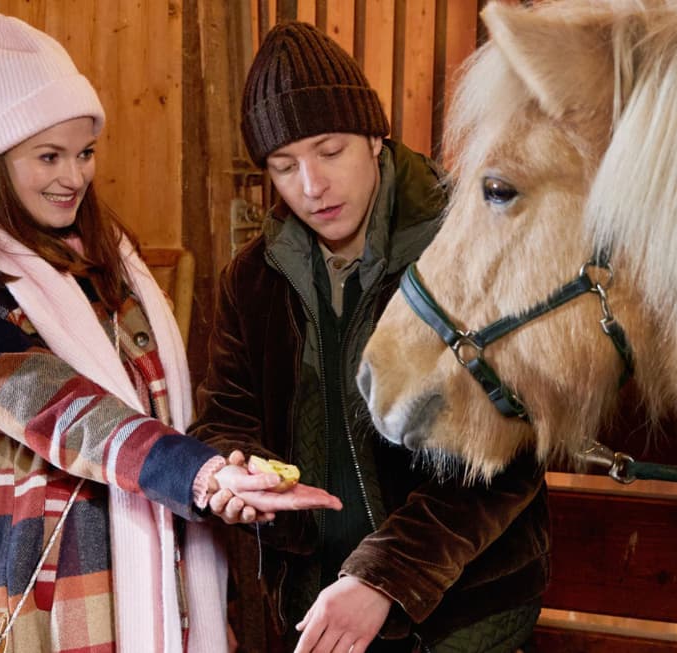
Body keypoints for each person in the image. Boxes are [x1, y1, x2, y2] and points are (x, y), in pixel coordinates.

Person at [0, 12, 341, 653]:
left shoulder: (116, 272)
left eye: (84, 153)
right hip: (43, 595)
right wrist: (201, 476)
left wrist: (231, 475)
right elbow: (69, 415)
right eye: (48, 156)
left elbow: (169, 411)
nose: (73, 177)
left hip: (156, 581)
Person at [190, 21, 550, 653]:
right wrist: (235, 472)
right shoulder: (252, 278)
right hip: (313, 609)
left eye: (329, 151)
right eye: (283, 166)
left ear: (375, 134)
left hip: (462, 620)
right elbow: (226, 415)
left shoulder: (463, 244)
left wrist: (386, 579)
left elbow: (506, 453)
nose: (311, 186)